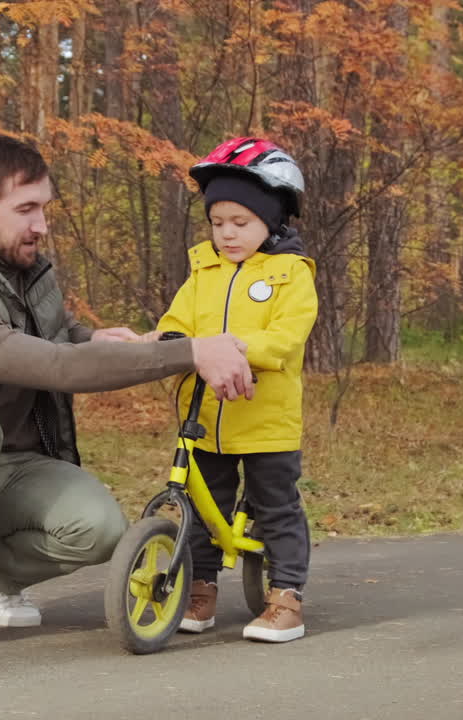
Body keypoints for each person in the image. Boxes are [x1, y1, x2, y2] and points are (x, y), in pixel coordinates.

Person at [0, 134, 256, 657]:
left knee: (102, 530)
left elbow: (57, 335)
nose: (41, 225)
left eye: (43, 208)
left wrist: (96, 338)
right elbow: (53, 366)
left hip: (13, 465)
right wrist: (193, 353)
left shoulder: (21, 269)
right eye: (25, 209)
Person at [147, 137, 318, 643]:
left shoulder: (291, 274)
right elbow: (176, 322)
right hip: (204, 418)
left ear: (273, 220)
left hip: (266, 419)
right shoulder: (204, 270)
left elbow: (286, 337)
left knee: (276, 505)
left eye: (240, 223)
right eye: (218, 222)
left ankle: (287, 596)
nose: (226, 234)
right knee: (201, 508)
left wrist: (230, 348)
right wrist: (166, 342)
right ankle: (200, 589)